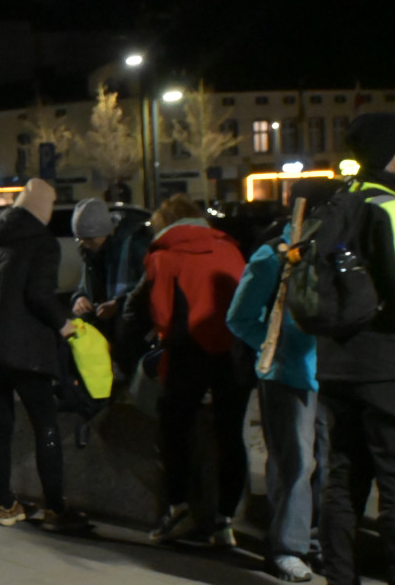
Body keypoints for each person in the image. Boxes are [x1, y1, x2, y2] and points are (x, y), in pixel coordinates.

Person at [226, 181, 340, 582]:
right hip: (288, 375)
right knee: (295, 464)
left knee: (329, 466)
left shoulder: (335, 251)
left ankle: (319, 543)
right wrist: (277, 346)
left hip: (331, 374)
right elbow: (239, 318)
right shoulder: (274, 255)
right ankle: (287, 549)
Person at [124, 194, 251, 546]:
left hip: (188, 354)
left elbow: (162, 314)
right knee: (231, 437)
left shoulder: (164, 255)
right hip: (234, 354)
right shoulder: (230, 248)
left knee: (174, 430)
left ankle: (179, 510)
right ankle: (225, 522)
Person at [315, 113, 395, 585]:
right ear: (390, 154)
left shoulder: (339, 202)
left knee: (342, 481)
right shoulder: (391, 207)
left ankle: (340, 579)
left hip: (335, 365)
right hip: (387, 366)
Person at [0, 179, 87, 532]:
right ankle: (56, 507)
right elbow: (39, 295)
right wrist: (63, 324)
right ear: (44, 209)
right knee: (46, 424)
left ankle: (6, 505)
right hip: (26, 351)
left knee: (1, 426)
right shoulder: (43, 243)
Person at [70, 197, 153, 376]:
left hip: (131, 327)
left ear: (106, 231)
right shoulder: (90, 252)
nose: (86, 244)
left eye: (90, 239)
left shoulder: (135, 244)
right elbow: (83, 287)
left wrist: (118, 304)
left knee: (131, 365)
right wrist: (80, 298)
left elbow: (149, 284)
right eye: (81, 239)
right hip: (106, 325)